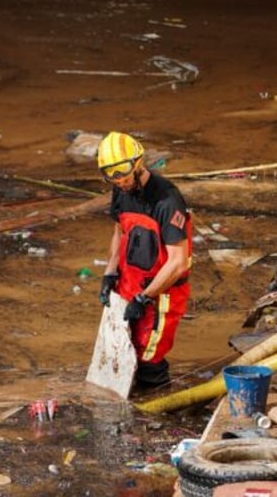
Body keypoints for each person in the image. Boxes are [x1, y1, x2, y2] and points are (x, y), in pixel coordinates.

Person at [96, 131, 192, 390]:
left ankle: (157, 408)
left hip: (162, 293)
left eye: (124, 174)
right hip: (130, 281)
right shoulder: (120, 191)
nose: (120, 182)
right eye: (111, 176)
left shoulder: (167, 200)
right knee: (125, 350)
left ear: (138, 164)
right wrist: (109, 274)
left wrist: (145, 297)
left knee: (150, 355)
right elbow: (119, 232)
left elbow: (178, 262)